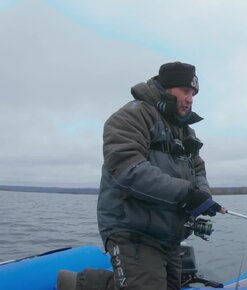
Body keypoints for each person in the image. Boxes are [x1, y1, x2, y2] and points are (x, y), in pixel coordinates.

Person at [57, 61, 225, 290]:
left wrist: (202, 196)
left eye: (193, 93)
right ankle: (79, 284)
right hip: (132, 229)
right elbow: (127, 169)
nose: (190, 98)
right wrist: (185, 193)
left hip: (169, 235)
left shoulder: (186, 131)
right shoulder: (131, 116)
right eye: (185, 91)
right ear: (168, 88)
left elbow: (198, 168)